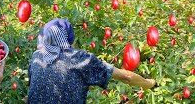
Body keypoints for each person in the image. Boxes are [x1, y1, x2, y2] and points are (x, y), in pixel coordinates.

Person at [27, 18, 156, 104]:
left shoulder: (36, 57)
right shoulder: (79, 59)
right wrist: (150, 83)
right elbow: (127, 77)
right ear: (69, 39)